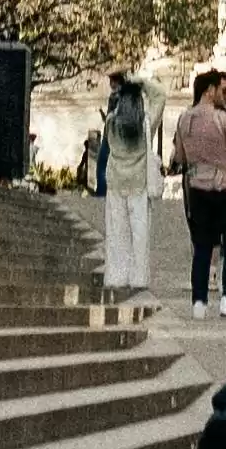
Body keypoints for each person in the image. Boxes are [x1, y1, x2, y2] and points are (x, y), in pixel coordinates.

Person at [172, 68, 226, 306]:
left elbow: (181, 157)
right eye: (220, 89)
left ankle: (199, 301)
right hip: (224, 187)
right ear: (209, 91)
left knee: (202, 245)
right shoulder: (224, 120)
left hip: (197, 185)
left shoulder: (184, 118)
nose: (223, 95)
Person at [91, 65, 160, 308]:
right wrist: (139, 81)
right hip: (138, 181)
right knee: (139, 231)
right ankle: (138, 275)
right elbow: (160, 94)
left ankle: (117, 274)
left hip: (116, 181)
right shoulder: (145, 124)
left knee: (117, 230)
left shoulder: (111, 122)